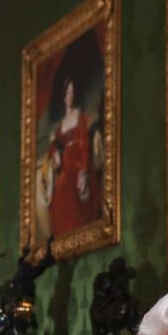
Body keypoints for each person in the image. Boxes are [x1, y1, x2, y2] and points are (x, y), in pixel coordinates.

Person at [47, 77, 101, 236]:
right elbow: (54, 146)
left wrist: (83, 173)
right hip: (66, 167)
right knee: (59, 194)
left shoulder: (80, 117)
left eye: (72, 92)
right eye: (68, 93)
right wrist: (55, 154)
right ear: (63, 97)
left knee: (69, 189)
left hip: (79, 166)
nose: (70, 95)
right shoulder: (60, 125)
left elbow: (85, 145)